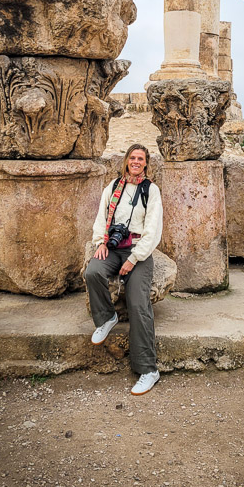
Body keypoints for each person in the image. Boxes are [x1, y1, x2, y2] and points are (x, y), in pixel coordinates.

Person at [85, 144, 163, 395]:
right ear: (126, 161)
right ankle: (106, 317)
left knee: (138, 303)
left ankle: (148, 369)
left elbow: (153, 230)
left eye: (141, 158)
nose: (136, 161)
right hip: (114, 246)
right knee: (93, 272)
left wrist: (135, 258)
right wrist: (100, 242)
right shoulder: (114, 186)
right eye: (132, 157)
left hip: (138, 250)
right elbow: (101, 216)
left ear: (146, 163)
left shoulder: (151, 190)